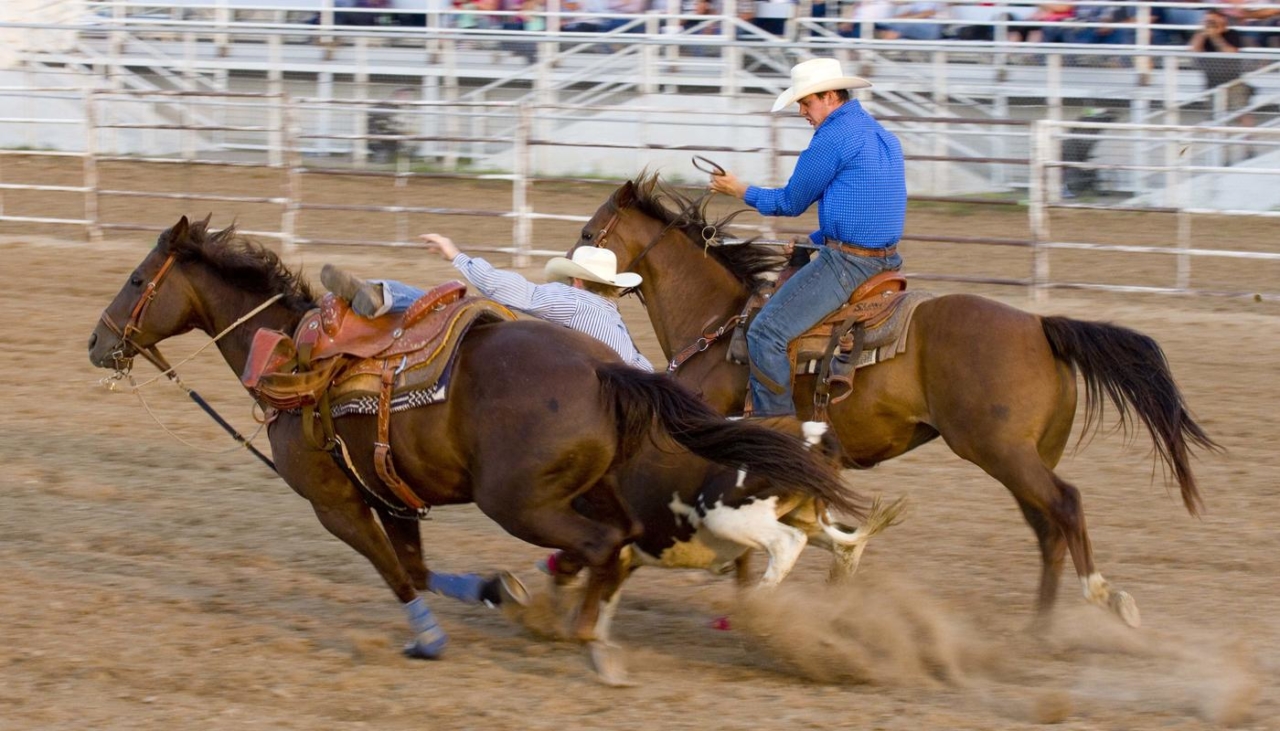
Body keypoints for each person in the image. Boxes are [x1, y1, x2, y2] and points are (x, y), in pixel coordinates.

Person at [707, 57, 905, 418]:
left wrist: (739, 189)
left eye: (806, 102)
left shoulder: (831, 140)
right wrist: (814, 238)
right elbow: (868, 207)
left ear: (830, 96)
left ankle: (777, 431)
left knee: (765, 334)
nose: (802, 111)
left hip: (848, 265)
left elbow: (789, 202)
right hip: (887, 260)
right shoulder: (881, 135)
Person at [319, 234, 654, 372]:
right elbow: (640, 365)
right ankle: (384, 294)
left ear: (577, 280)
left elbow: (513, 290)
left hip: (602, 383)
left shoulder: (576, 300)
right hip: (631, 384)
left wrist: (456, 254)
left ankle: (386, 295)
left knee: (466, 309)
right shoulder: (612, 317)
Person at [1190, 9, 1254, 125]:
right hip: (1212, 81)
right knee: (1214, 115)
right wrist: (1202, 33)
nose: (1211, 23)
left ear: (1223, 19)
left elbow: (1231, 52)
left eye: (1213, 20)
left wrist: (1215, 37)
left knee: (1241, 111)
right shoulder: (1203, 35)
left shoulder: (1232, 34)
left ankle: (1250, 140)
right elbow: (1193, 50)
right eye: (1208, 20)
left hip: (1233, 81)